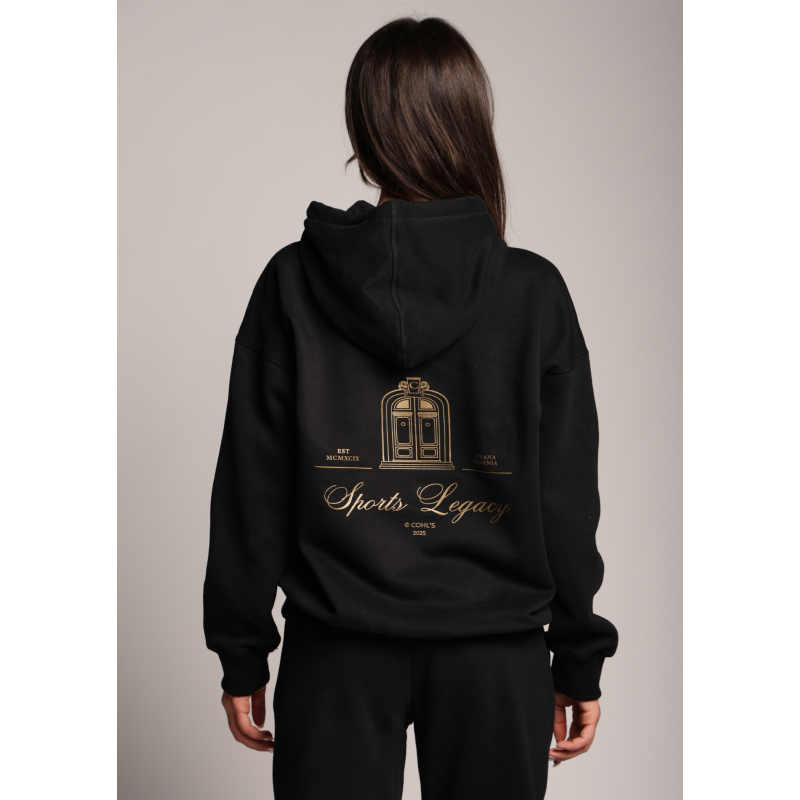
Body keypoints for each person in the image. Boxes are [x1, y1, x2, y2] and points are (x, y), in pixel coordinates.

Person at [203, 15, 618, 800]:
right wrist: (578, 657)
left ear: (363, 134)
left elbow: (251, 488)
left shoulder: (292, 284)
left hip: (335, 652)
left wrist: (241, 650)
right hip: (496, 655)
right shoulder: (533, 294)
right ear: (471, 126)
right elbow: (566, 499)